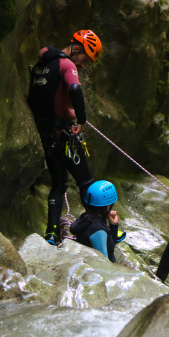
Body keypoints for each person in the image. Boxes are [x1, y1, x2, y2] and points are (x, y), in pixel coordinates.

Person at [27, 29, 102, 245]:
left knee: (59, 184)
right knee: (86, 181)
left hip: (46, 133)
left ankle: (51, 234)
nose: (84, 65)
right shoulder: (67, 65)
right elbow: (75, 89)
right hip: (64, 134)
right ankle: (94, 230)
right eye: (85, 59)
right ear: (76, 47)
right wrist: (81, 119)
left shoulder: (42, 63)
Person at [70, 180, 122, 262]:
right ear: (108, 205)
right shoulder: (98, 230)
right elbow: (104, 262)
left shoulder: (86, 218)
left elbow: (110, 246)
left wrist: (113, 225)